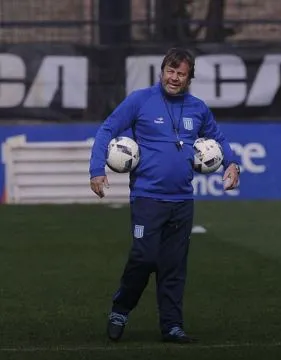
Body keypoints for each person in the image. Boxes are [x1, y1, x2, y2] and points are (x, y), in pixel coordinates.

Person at [89, 47, 240, 343]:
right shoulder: (140, 100)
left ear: (189, 77)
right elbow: (107, 129)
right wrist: (97, 169)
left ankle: (172, 325)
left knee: (174, 266)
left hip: (182, 201)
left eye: (181, 74)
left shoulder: (198, 108)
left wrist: (232, 163)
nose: (174, 78)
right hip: (147, 198)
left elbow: (218, 139)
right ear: (161, 72)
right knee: (144, 258)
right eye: (170, 72)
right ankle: (120, 309)